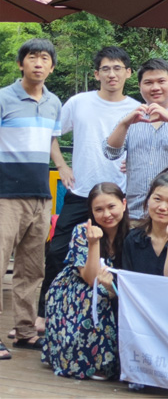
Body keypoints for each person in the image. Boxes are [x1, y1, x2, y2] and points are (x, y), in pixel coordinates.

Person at [43, 46, 140, 326]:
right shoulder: (79, 102)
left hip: (118, 197)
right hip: (80, 192)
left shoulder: (136, 108)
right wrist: (61, 166)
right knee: (57, 252)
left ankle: (116, 317)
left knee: (118, 256)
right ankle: (45, 314)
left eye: (118, 68)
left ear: (128, 73)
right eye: (106, 69)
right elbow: (51, 133)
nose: (112, 74)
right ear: (96, 74)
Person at [0, 39, 62, 357]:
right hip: (6, 195)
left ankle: (25, 331)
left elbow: (51, 141)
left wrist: (63, 166)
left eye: (45, 58)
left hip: (41, 195)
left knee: (31, 268)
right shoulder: (3, 98)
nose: (39, 63)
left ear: (52, 67)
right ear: (21, 63)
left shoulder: (53, 102)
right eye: (32, 57)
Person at [41, 183, 127, 379]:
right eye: (99, 209)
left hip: (113, 285)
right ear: (91, 212)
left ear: (124, 204)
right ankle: (94, 362)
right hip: (75, 286)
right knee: (96, 296)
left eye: (111, 207)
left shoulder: (132, 233)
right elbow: (90, 278)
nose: (106, 214)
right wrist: (93, 243)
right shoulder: (81, 231)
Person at [105, 58, 168, 220]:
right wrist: (124, 124)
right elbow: (110, 153)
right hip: (136, 213)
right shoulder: (131, 118)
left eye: (161, 81)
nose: (155, 87)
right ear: (140, 86)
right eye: (148, 82)